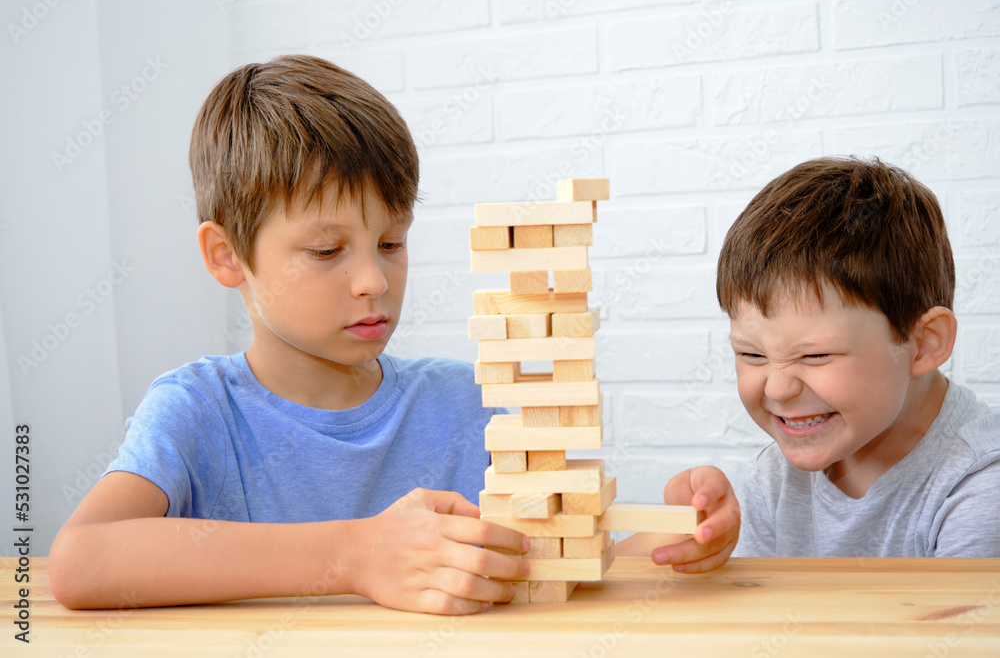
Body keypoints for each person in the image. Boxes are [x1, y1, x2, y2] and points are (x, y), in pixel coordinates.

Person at [49, 55, 739, 614]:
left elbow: (557, 567)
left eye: (391, 242)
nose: (373, 281)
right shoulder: (197, 411)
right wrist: (356, 555)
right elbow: (78, 562)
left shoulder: (463, 404)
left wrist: (681, 533)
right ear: (228, 256)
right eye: (326, 251)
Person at [718, 156, 1000, 557]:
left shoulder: (981, 485)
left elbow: (958, 621)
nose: (778, 388)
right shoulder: (774, 477)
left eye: (815, 356)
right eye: (751, 353)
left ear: (924, 343)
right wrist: (699, 556)